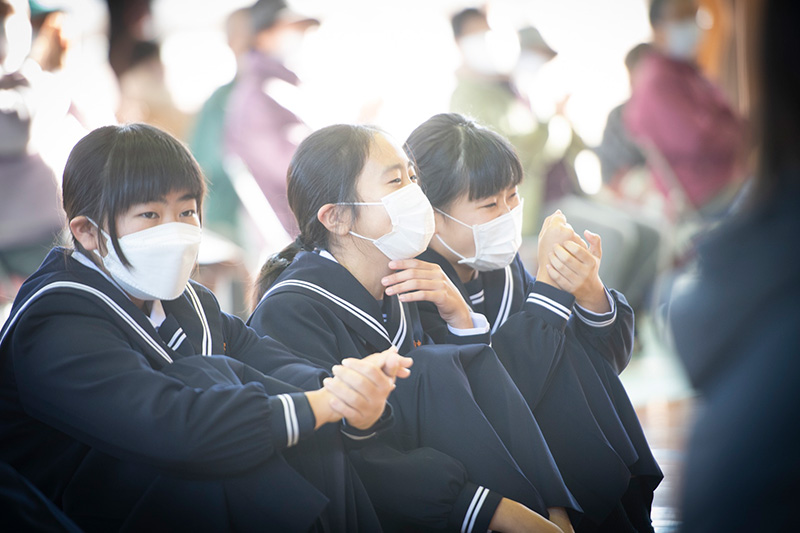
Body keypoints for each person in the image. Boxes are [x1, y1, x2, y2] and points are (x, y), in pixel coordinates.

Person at [0, 123, 413, 532]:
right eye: (149, 214)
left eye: (186, 212)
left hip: (154, 489)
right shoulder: (53, 320)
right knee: (225, 400)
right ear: (87, 231)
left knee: (296, 425)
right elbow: (171, 427)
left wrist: (343, 389)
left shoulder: (187, 301)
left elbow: (266, 360)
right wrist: (321, 404)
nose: (175, 229)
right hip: (74, 510)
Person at [249, 124, 579, 533]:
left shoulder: (408, 280)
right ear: (336, 217)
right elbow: (340, 450)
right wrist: (490, 509)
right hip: (368, 500)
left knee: (569, 355)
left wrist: (461, 318)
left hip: (441, 485)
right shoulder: (291, 309)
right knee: (427, 368)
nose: (414, 193)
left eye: (411, 177)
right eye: (395, 181)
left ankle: (552, 511)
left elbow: (480, 391)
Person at [405, 113, 663, 532]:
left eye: (512, 196)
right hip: (494, 463)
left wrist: (589, 291)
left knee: (571, 351)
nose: (508, 213)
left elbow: (605, 363)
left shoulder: (501, 268)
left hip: (555, 451)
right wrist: (548, 290)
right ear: (430, 215)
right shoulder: (419, 284)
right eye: (489, 204)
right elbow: (494, 396)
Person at [667, 1, 799, 531]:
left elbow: (724, 125)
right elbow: (706, 134)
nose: (700, 32)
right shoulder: (661, 81)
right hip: (705, 189)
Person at [624, 0, 746, 219]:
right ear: (659, 30)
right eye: (683, 18)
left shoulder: (686, 71)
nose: (694, 25)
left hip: (728, 179)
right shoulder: (657, 83)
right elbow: (698, 141)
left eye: (695, 15)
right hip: (707, 194)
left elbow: (727, 114)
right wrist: (741, 134)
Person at [224, 0, 319, 237]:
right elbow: (299, 172)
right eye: (291, 30)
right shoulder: (260, 96)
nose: (300, 38)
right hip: (293, 235)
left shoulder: (274, 89)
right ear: (263, 36)